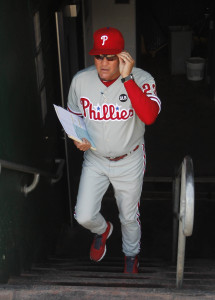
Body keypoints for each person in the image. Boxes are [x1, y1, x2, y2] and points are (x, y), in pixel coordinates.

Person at [67, 27, 161, 273]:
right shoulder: (80, 80)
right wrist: (79, 138)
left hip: (129, 159)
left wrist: (127, 79)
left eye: (111, 57)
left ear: (123, 56)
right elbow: (75, 118)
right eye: (99, 56)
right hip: (95, 158)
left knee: (128, 217)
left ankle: (131, 255)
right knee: (83, 216)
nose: (104, 63)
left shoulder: (142, 79)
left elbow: (149, 116)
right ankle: (103, 230)